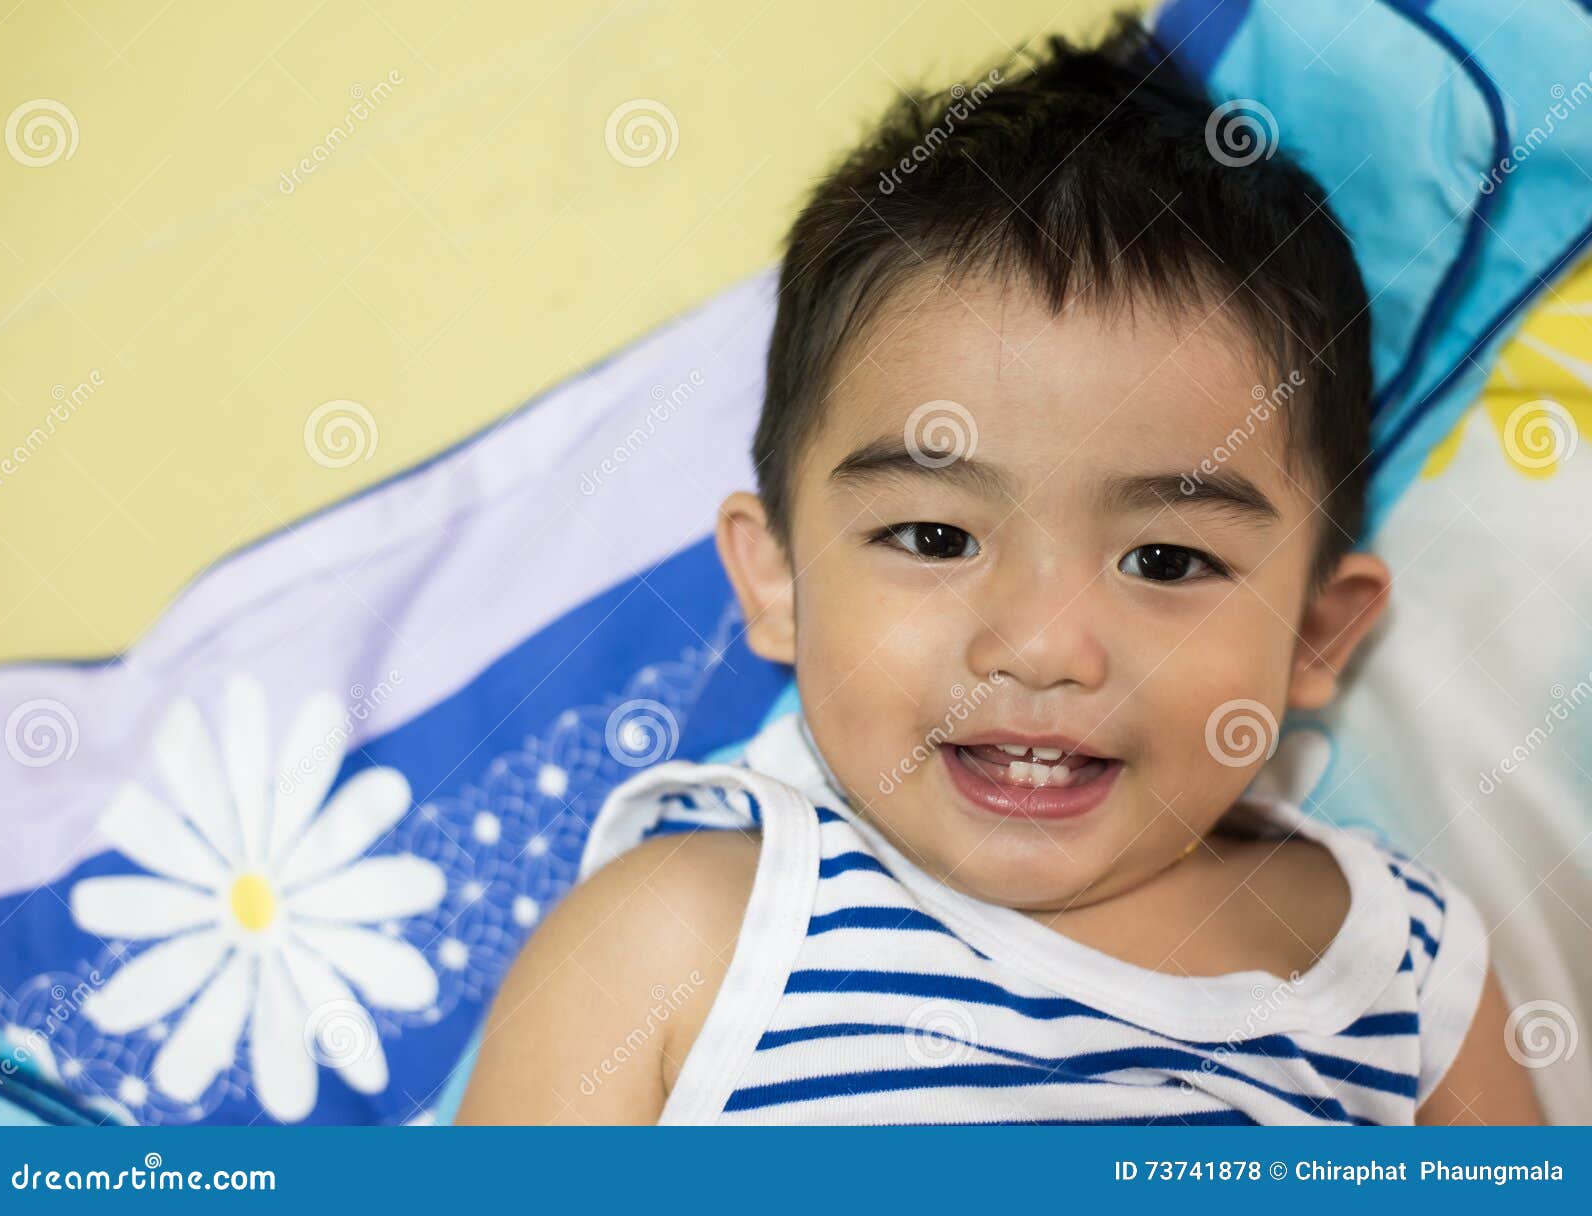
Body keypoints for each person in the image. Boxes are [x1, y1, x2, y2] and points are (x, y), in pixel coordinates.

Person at [458, 14, 1541, 1126]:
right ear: (776, 578)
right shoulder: (677, 945)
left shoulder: (1408, 974)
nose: (1039, 644)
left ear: (1317, 630)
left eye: (1164, 559)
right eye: (935, 539)